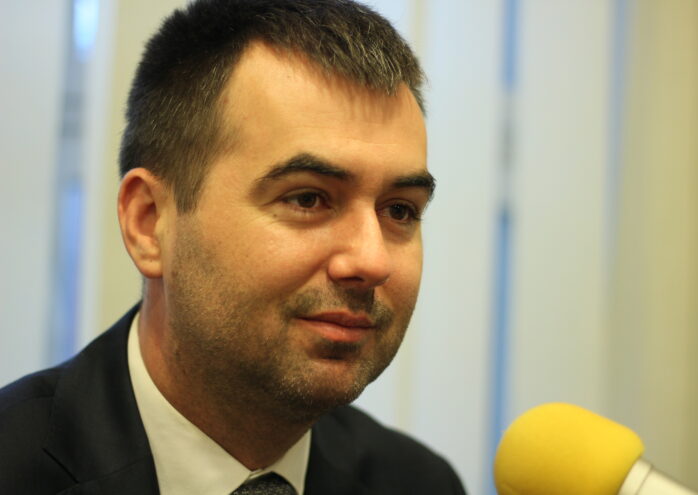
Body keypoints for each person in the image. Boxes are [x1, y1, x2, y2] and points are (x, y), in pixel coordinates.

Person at [0, 1, 465, 493]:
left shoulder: (418, 483)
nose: (371, 261)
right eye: (307, 199)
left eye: (400, 210)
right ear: (149, 223)